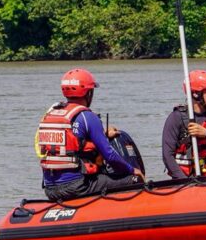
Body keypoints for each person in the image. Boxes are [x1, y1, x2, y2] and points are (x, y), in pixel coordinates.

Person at [36, 68, 144, 201]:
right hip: (77, 187)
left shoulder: (50, 115)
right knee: (135, 179)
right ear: (88, 93)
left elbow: (72, 141)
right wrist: (132, 170)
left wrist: (102, 134)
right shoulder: (87, 116)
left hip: (50, 189)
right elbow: (109, 156)